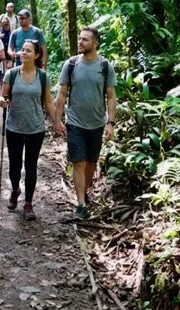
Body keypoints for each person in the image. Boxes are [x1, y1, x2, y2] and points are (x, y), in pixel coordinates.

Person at [54, 27, 117, 220]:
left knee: (91, 163)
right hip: (75, 123)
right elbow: (62, 94)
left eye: (85, 40)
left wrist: (111, 123)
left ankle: (84, 191)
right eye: (80, 38)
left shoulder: (105, 66)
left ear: (95, 44)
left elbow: (111, 96)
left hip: (97, 124)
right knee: (78, 162)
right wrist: (57, 119)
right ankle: (81, 203)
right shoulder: (71, 64)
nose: (80, 42)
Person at [0, 39, 58, 220]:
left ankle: (28, 203)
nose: (23, 53)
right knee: (15, 165)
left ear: (37, 55)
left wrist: (57, 122)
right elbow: (3, 95)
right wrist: (2, 101)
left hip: (35, 127)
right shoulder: (11, 74)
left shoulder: (42, 76)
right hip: (14, 126)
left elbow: (48, 102)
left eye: (28, 51)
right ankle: (15, 189)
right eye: (22, 50)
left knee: (31, 165)